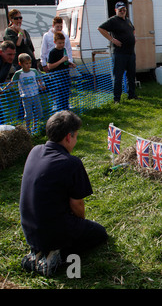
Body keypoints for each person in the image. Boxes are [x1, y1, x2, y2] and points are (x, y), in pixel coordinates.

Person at [20, 110, 108, 277]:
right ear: (69, 137)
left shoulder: (34, 151)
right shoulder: (71, 163)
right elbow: (77, 205)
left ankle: (37, 253)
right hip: (55, 230)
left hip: (30, 230)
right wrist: (80, 227)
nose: (75, 140)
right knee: (99, 233)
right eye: (75, 137)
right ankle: (58, 254)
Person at [98, 1, 137, 103]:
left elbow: (133, 30)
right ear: (116, 10)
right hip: (120, 53)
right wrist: (112, 40)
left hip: (130, 53)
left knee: (131, 75)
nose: (122, 11)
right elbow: (100, 28)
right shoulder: (113, 21)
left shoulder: (128, 21)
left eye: (124, 9)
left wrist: (133, 37)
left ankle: (132, 95)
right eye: (120, 10)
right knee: (118, 77)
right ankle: (117, 99)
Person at [10, 53, 45, 132]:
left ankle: (35, 126)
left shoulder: (34, 71)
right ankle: (27, 128)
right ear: (20, 64)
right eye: (26, 63)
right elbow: (12, 82)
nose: (28, 65)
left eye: (30, 63)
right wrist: (5, 89)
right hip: (26, 96)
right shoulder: (18, 73)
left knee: (38, 111)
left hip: (35, 94)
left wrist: (42, 85)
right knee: (28, 113)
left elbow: (39, 79)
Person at [47, 32, 76, 111]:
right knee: (59, 93)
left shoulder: (64, 50)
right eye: (60, 43)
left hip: (65, 75)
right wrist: (61, 61)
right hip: (57, 77)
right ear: (55, 42)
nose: (62, 44)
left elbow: (65, 61)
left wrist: (70, 63)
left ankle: (66, 107)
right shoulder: (52, 52)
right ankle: (59, 108)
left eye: (63, 42)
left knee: (66, 92)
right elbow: (50, 66)